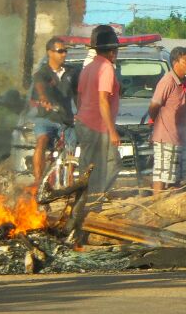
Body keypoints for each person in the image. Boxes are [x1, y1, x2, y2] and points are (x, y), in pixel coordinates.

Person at [75, 25, 122, 200]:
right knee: (113, 163)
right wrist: (112, 131)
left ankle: (86, 197)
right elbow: (103, 100)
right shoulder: (107, 68)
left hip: (84, 122)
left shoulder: (88, 68)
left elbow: (79, 98)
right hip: (98, 125)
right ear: (112, 52)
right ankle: (97, 195)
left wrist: (81, 116)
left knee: (89, 164)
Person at [30, 37, 77, 185]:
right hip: (47, 118)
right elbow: (40, 85)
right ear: (50, 53)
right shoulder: (42, 73)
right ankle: (38, 182)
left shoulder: (72, 72)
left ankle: (69, 182)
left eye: (65, 51)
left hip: (67, 119)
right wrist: (43, 97)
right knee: (42, 140)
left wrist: (81, 112)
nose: (64, 54)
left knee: (70, 149)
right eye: (60, 51)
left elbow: (79, 94)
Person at [148, 47, 186, 192]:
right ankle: (156, 203)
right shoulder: (167, 81)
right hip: (166, 137)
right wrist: (154, 123)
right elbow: (154, 105)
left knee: (176, 178)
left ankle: (173, 204)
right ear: (175, 63)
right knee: (161, 175)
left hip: (180, 138)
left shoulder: (184, 82)